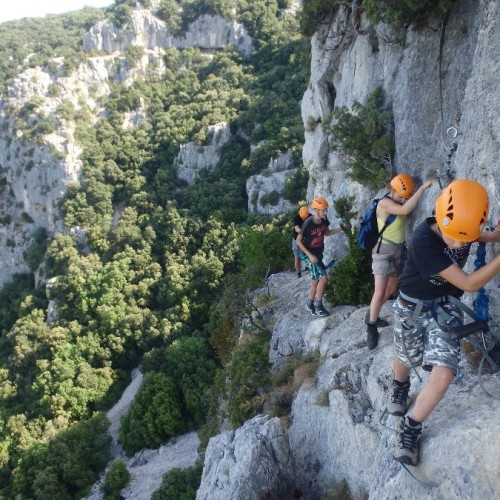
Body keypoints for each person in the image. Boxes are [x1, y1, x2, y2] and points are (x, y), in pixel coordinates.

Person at [386, 179, 500, 466]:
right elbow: (469, 283)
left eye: (465, 237)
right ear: (440, 217)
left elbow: (479, 236)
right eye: (454, 238)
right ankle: (400, 385)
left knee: (445, 372)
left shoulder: (460, 226)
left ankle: (410, 426)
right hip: (412, 305)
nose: (460, 244)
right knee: (405, 354)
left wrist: (495, 235)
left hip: (445, 307)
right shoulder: (423, 241)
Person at [366, 174, 433, 350]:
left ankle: (374, 312)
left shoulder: (399, 201)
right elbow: (404, 211)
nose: (404, 199)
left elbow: (405, 208)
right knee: (379, 292)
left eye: (406, 197)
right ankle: (371, 327)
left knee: (392, 288)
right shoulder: (384, 203)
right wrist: (422, 189)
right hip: (383, 252)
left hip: (397, 251)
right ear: (394, 190)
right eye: (402, 195)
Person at [296, 197, 349, 317]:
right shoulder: (308, 223)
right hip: (308, 254)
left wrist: (341, 228)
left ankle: (310, 303)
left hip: (318, 253)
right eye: (323, 210)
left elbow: (327, 233)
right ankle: (319, 305)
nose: (325, 212)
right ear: (316, 210)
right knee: (323, 278)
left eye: (326, 210)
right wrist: (309, 256)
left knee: (315, 281)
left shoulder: (324, 220)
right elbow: (299, 241)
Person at [292, 206, 311, 278]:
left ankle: (310, 268)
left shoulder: (310, 217)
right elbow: (297, 228)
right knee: (297, 256)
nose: (304, 219)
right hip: (296, 238)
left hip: (306, 239)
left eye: (305, 218)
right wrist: (304, 232)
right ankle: (299, 273)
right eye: (302, 218)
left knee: (309, 254)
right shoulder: (297, 218)